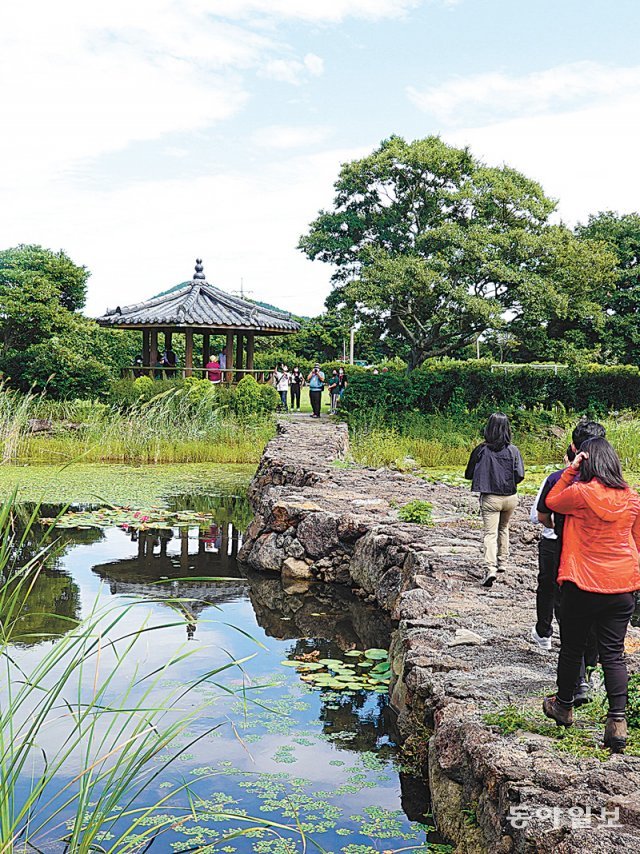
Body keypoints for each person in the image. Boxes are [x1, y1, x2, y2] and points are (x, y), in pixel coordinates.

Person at [542, 438, 640, 753]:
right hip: (621, 586)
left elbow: (552, 501)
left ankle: (564, 707)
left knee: (572, 649)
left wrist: (570, 471)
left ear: (588, 463)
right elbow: (636, 541)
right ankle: (617, 722)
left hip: (581, 583)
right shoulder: (632, 498)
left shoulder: (580, 494)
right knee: (613, 654)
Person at [464, 413, 524, 587]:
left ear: (488, 428)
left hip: (491, 497)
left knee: (490, 533)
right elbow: (519, 475)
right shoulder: (514, 450)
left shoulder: (481, 449)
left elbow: (469, 474)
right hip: (511, 497)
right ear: (507, 430)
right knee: (504, 528)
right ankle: (502, 563)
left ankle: (490, 568)